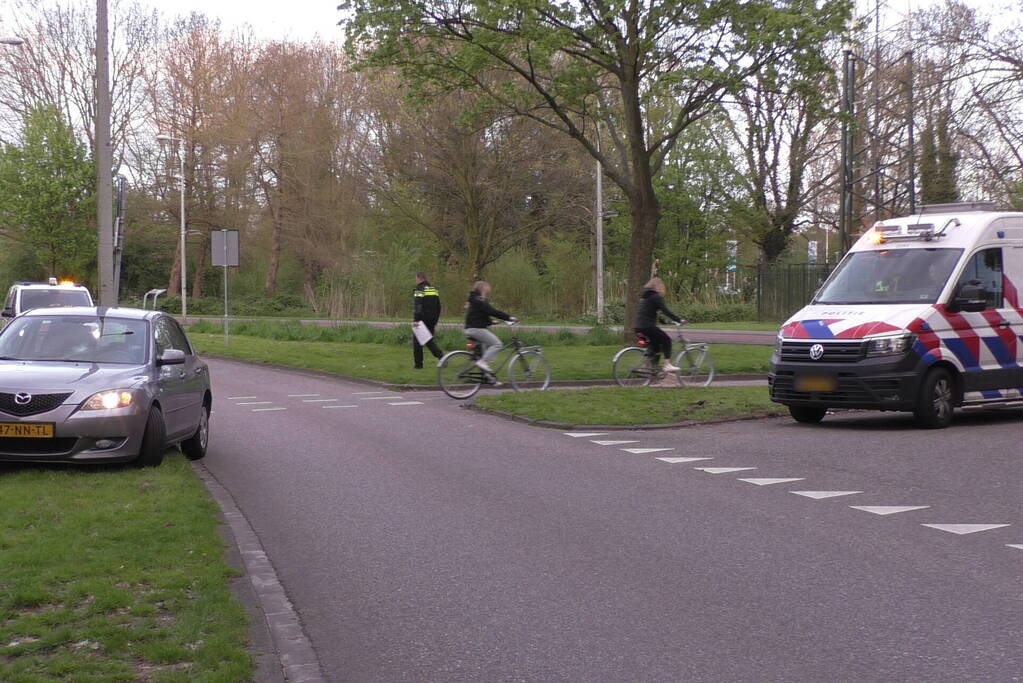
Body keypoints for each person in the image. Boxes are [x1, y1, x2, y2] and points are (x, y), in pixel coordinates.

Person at [464, 280, 517, 377]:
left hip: (470, 329)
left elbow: (478, 315)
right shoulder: (480, 300)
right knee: (497, 344)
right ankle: (483, 362)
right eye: (486, 291)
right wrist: (509, 317)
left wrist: (491, 322)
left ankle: (487, 378)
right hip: (477, 329)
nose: (487, 294)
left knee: (483, 353)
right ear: (482, 289)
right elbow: (492, 311)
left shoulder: (474, 299)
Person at [633, 276, 686, 373]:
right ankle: (667, 365)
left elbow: (651, 313)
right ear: (659, 286)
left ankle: (651, 369)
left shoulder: (645, 297)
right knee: (666, 340)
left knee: (656, 347)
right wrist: (679, 320)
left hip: (638, 327)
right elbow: (666, 311)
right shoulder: (656, 297)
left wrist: (665, 322)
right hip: (647, 327)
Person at [412, 271, 444, 369]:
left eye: (416, 278)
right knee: (428, 340)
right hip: (432, 319)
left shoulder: (419, 289)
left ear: (419, 278)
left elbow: (418, 305)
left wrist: (416, 320)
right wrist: (436, 320)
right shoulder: (433, 289)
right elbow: (439, 306)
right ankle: (441, 357)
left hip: (422, 319)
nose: (415, 280)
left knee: (418, 342)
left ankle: (419, 365)